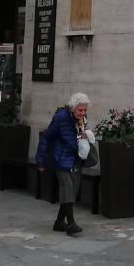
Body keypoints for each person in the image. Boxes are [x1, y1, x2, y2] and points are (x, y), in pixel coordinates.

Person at [41, 91, 91, 237]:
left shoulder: (82, 119)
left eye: (85, 110)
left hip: (75, 158)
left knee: (72, 191)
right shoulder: (61, 117)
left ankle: (58, 222)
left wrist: (85, 135)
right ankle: (71, 223)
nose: (83, 113)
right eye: (80, 110)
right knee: (67, 188)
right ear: (73, 108)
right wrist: (41, 160)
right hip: (61, 158)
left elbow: (80, 138)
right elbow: (46, 137)